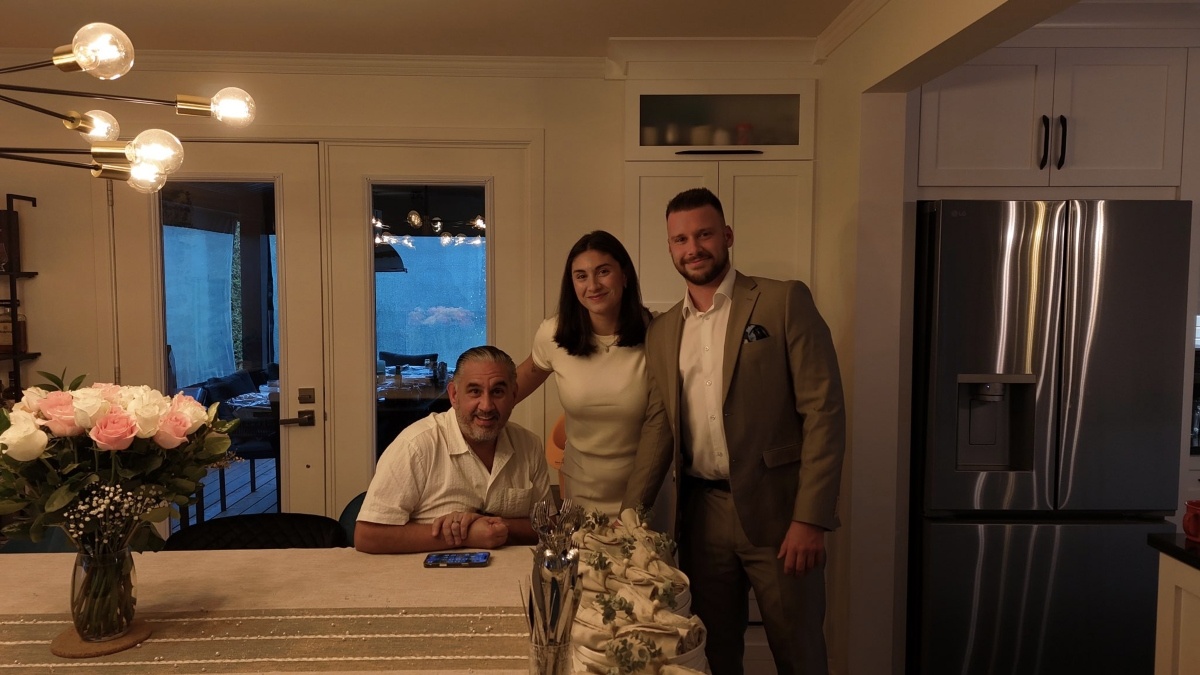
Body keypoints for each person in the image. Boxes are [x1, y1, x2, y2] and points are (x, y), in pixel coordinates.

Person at [622, 187, 846, 675]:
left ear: (726, 235)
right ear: (669, 248)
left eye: (703, 234)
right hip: (701, 517)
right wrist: (629, 516)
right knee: (712, 653)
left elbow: (823, 413)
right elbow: (660, 426)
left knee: (799, 652)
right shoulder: (662, 330)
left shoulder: (783, 301)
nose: (693, 248)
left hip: (780, 513)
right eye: (680, 239)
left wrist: (812, 518)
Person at [355, 345, 552, 554]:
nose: (486, 406)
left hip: (511, 574)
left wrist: (495, 526)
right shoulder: (416, 445)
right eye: (475, 391)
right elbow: (367, 536)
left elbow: (549, 526)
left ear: (513, 395)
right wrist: (465, 536)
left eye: (497, 392)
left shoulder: (529, 445)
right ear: (454, 395)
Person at [514, 230, 651, 518]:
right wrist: (452, 420)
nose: (593, 285)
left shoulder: (657, 334)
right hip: (580, 496)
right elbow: (509, 390)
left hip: (645, 495)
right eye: (581, 276)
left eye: (603, 271)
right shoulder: (553, 334)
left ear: (624, 275)